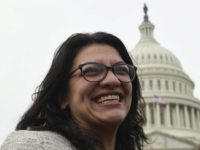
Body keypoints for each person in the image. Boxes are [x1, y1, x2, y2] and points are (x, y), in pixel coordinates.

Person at [1, 32, 147, 150]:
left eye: (121, 70)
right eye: (92, 71)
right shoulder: (30, 145)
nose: (113, 80)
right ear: (62, 96)